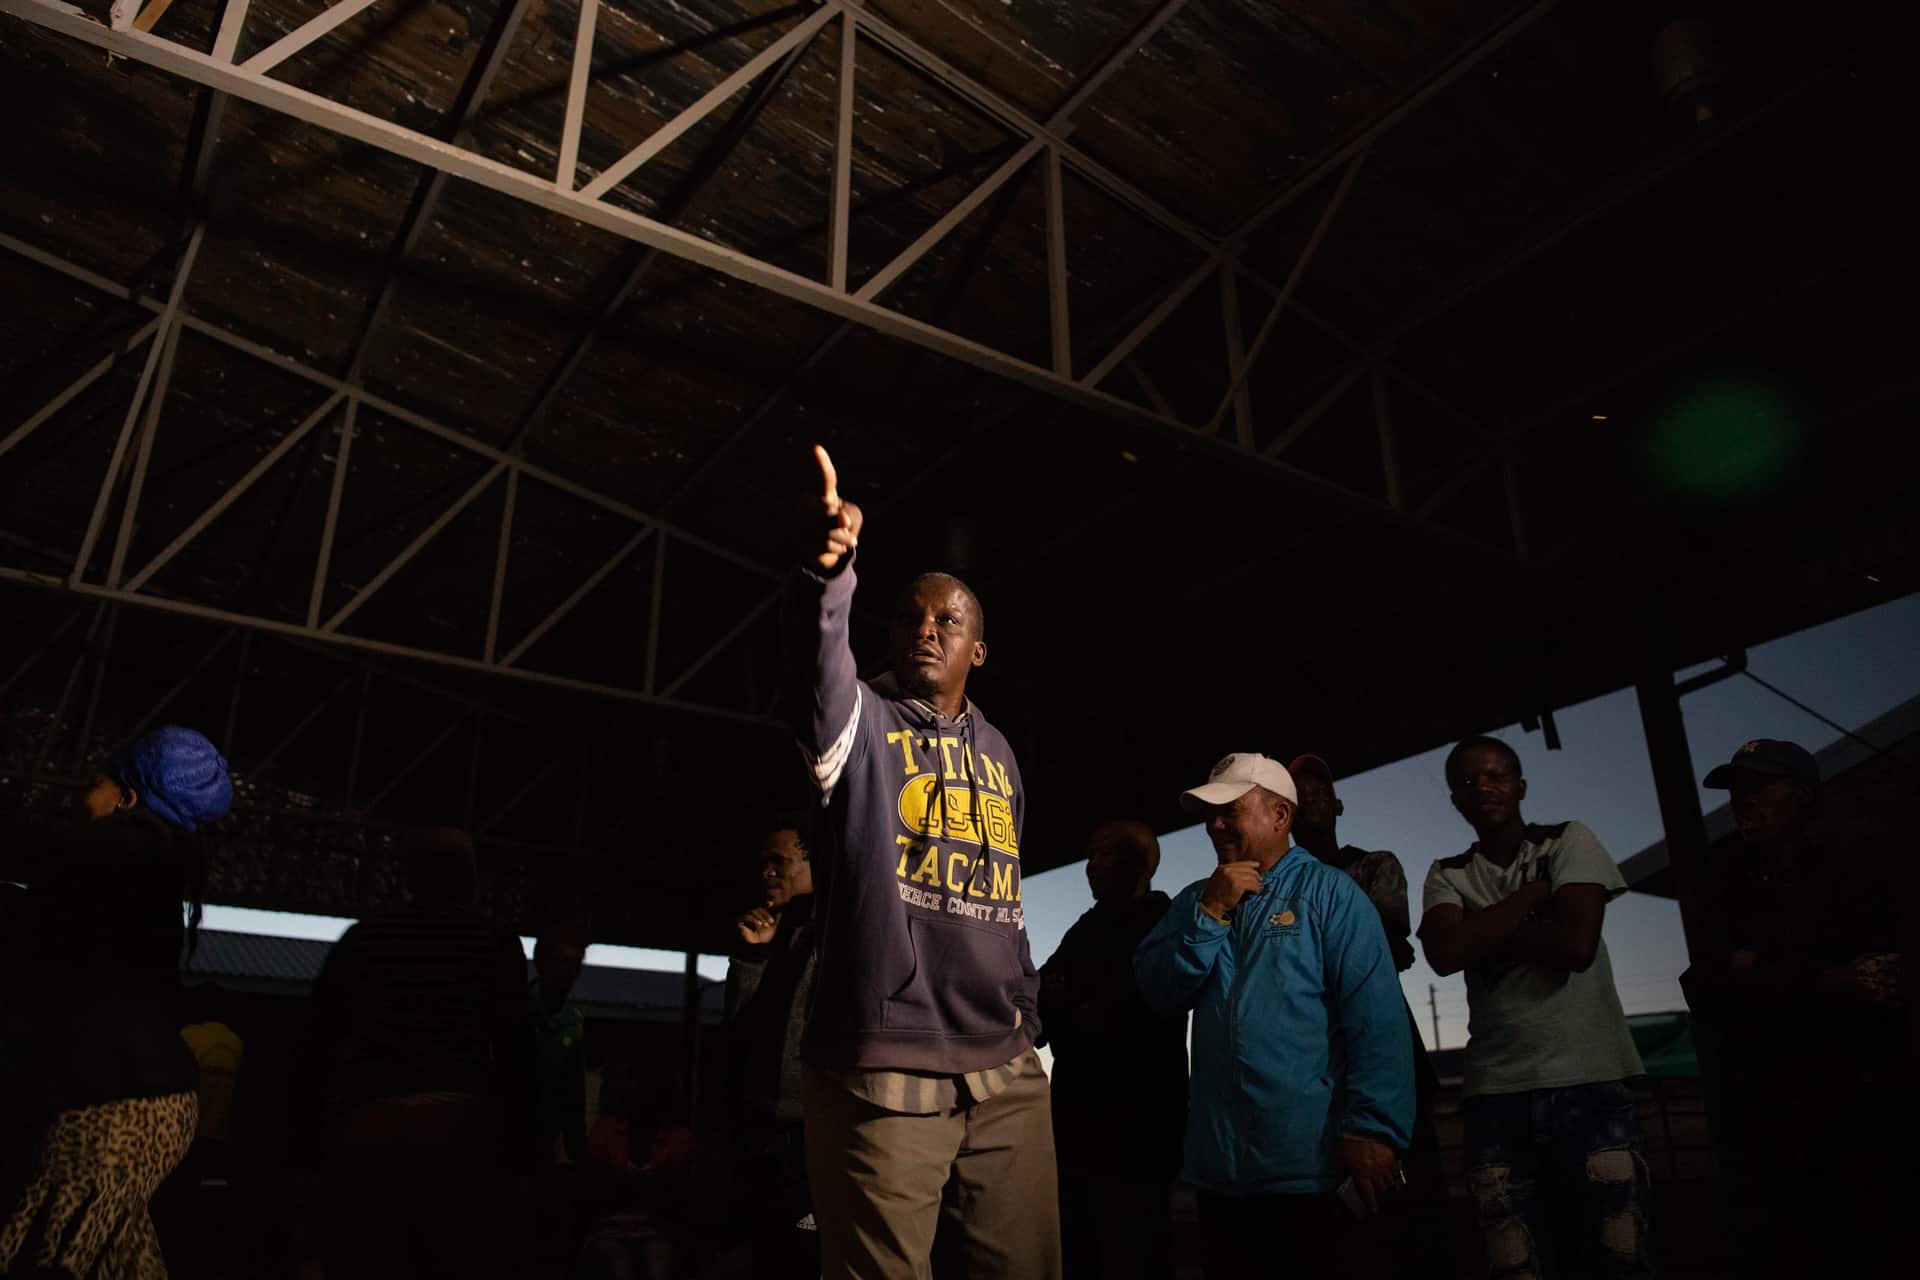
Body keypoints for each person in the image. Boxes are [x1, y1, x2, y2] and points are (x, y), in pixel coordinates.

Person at [790, 445, 1058, 1279]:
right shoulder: (863, 725)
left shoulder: (1003, 754)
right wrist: (828, 576)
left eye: (949, 620)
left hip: (1002, 1063)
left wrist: (1027, 1012)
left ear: (978, 648)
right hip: (886, 1060)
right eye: (910, 616)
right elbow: (817, 672)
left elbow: (1005, 896)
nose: (927, 629)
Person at [1135, 754, 1412, 1280]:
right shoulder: (1199, 898)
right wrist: (1211, 914)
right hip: (1222, 1174)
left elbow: (1376, 1019)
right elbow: (1158, 991)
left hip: (1312, 1170)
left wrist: (1373, 1129)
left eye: (1229, 810)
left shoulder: (1331, 894)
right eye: (1209, 814)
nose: (1214, 824)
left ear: (1280, 816)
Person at [0, 725, 232, 1279]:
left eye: (96, 782)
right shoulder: (141, 870)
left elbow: (24, 844)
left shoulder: (130, 849)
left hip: (111, 1111)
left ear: (127, 797)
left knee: (46, 1255)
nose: (81, 795)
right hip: (148, 1102)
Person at [1418, 736, 1652, 1280]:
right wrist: (1528, 902)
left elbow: (1575, 946)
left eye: (1497, 775)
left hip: (1588, 1081)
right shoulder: (1447, 871)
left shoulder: (1568, 839)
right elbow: (1446, 954)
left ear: (1521, 785)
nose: (1485, 788)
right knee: (1515, 1263)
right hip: (1496, 1093)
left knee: (1617, 1258)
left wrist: (1483, 928)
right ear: (1454, 798)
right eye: (1469, 781)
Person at [1680, 738, 1909, 1276]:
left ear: (1802, 796)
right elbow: (1707, 988)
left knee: (1869, 1240)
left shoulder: (1855, 869)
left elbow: (1884, 981)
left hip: (1854, 1103)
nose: (1743, 801)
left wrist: (1757, 971)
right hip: (1762, 1113)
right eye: (1736, 790)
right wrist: (1826, 979)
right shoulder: (1722, 878)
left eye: (1760, 787)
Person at [290, 826, 534, 1279]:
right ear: (471, 881)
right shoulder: (495, 944)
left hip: (368, 1130)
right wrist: (520, 1160)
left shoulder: (363, 940)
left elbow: (314, 1050)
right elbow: (517, 1056)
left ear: (408, 879)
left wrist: (306, 1156)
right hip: (460, 1134)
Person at [1288, 753, 1451, 1276]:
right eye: (1296, 795)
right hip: (1313, 1057)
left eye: (1318, 792)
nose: (1308, 799)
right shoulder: (1275, 884)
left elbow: (1388, 947)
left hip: (1382, 1041)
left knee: (1410, 1194)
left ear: (1338, 805)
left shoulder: (1374, 864)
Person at [1038, 820, 1186, 1280]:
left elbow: (1131, 1008)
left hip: (1139, 1129)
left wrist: (1075, 1000)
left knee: (1135, 1253)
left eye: (1107, 854)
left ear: (1142, 866)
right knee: (1080, 1253)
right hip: (1076, 1127)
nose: (1091, 867)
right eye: (1090, 855)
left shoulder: (1165, 921)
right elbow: (1042, 999)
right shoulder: (1085, 928)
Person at [725, 820, 821, 1280]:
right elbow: (742, 1030)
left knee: (803, 1258)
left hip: (811, 1137)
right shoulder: (777, 936)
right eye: (763, 862)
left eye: (778, 861)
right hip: (763, 1132)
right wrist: (752, 958)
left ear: (811, 865)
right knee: (767, 1256)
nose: (765, 872)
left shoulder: (834, 933)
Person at [531, 921, 592, 1276]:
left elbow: (574, 1096)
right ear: (541, 964)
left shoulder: (573, 1021)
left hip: (548, 1148)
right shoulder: (516, 1015)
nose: (571, 972)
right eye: (563, 962)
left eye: (577, 964)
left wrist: (578, 1156)